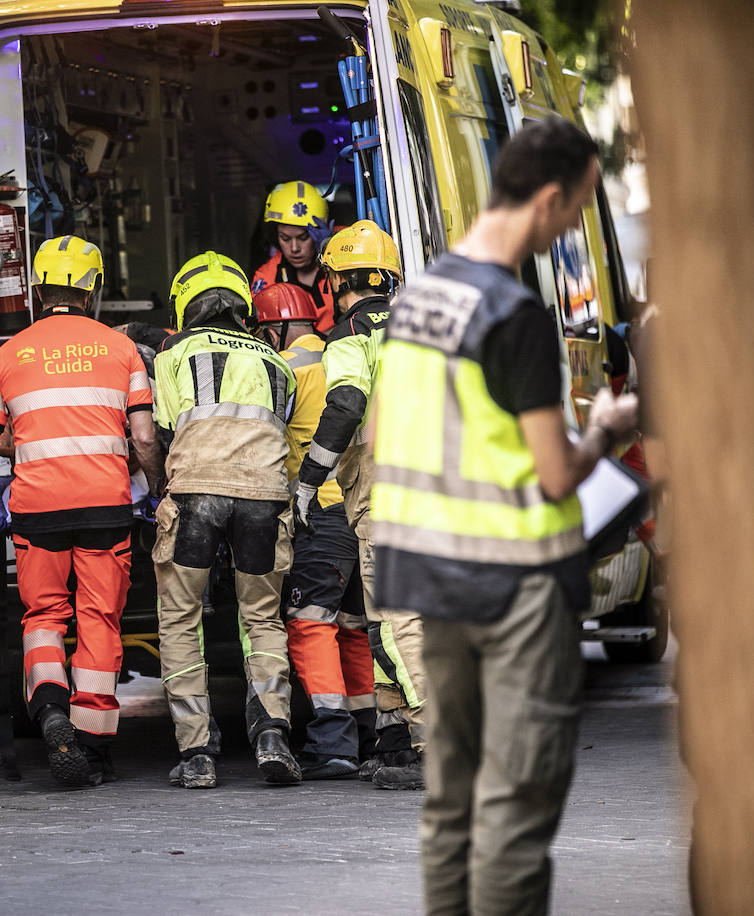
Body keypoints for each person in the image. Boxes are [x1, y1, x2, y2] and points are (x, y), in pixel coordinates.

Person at [371, 117, 639, 913]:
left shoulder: (421, 295)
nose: (570, 231)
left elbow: (389, 430)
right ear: (551, 199)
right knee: (517, 801)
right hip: (517, 585)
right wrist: (602, 431)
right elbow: (556, 474)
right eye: (578, 210)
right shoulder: (514, 314)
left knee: (451, 795)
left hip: (428, 574)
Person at [0, 235, 162, 788]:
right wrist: (156, 487)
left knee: (44, 617)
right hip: (105, 508)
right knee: (100, 620)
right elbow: (143, 438)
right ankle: (94, 745)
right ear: (90, 291)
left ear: (38, 290)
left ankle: (50, 706)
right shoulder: (120, 351)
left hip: (36, 512)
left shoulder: (9, 356)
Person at [152, 251, 301, 789]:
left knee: (180, 618)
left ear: (186, 302)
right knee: (261, 618)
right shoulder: (276, 360)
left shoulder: (174, 353)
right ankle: (272, 735)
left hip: (195, 497)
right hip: (264, 496)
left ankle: (196, 753)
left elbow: (164, 430)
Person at [293, 220, 427, 790]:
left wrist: (309, 476)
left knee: (397, 628)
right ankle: (396, 742)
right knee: (394, 625)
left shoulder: (349, 338)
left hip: (388, 497)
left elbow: (346, 404)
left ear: (334, 282)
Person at [253, 282, 376, 779]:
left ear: (271, 328)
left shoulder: (284, 371)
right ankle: (370, 732)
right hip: (357, 509)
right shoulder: (345, 357)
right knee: (354, 627)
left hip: (318, 513)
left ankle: (331, 741)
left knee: (309, 620)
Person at [251, 180, 337, 331]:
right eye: (285, 238)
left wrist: (333, 249)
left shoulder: (347, 246)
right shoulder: (267, 276)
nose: (294, 248)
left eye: (303, 238)